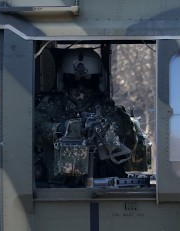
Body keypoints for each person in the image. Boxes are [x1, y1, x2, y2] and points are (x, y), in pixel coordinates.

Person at [34, 47, 147, 187]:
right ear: (63, 79)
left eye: (88, 79)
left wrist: (105, 134)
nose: (80, 86)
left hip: (101, 186)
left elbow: (125, 142)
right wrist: (61, 129)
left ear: (98, 80)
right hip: (56, 186)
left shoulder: (107, 109)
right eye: (73, 79)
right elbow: (36, 130)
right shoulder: (51, 105)